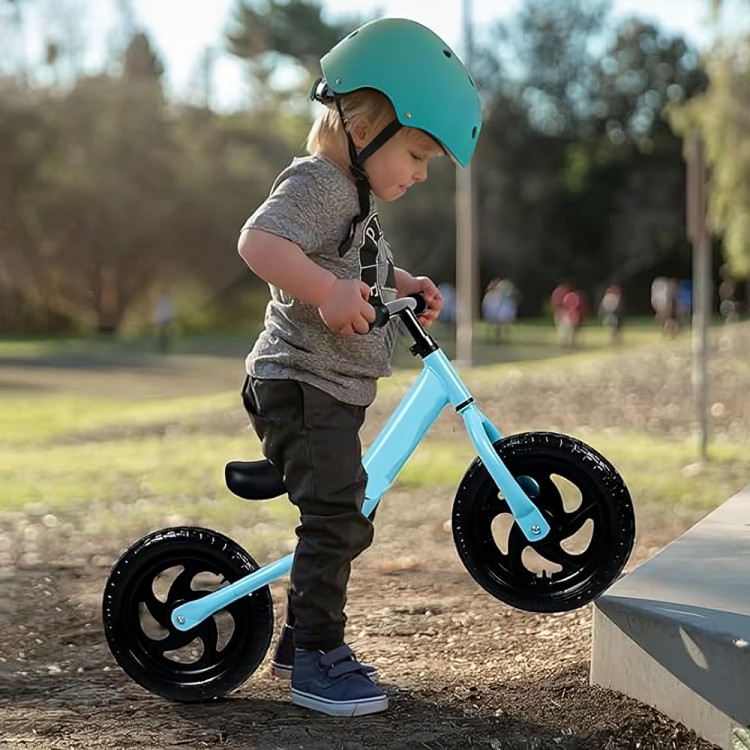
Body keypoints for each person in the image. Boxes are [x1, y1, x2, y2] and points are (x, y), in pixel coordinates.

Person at [236, 18, 482, 717]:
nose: (420, 172)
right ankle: (316, 657)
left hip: (327, 388)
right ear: (366, 123)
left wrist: (403, 284)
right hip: (299, 382)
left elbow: (351, 266)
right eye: (417, 153)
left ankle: (296, 646)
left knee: (343, 514)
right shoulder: (319, 181)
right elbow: (259, 243)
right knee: (338, 515)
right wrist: (325, 294)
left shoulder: (355, 195)